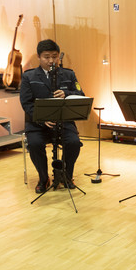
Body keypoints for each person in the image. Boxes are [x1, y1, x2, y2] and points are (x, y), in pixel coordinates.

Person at [20, 39, 85, 194]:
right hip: (37, 124)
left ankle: (66, 175)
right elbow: (26, 103)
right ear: (39, 57)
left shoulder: (68, 74)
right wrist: (42, 119)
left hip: (64, 122)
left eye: (54, 57)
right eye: (46, 57)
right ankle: (43, 178)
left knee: (74, 143)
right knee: (35, 144)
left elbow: (80, 94)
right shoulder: (28, 77)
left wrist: (67, 93)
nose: (51, 61)